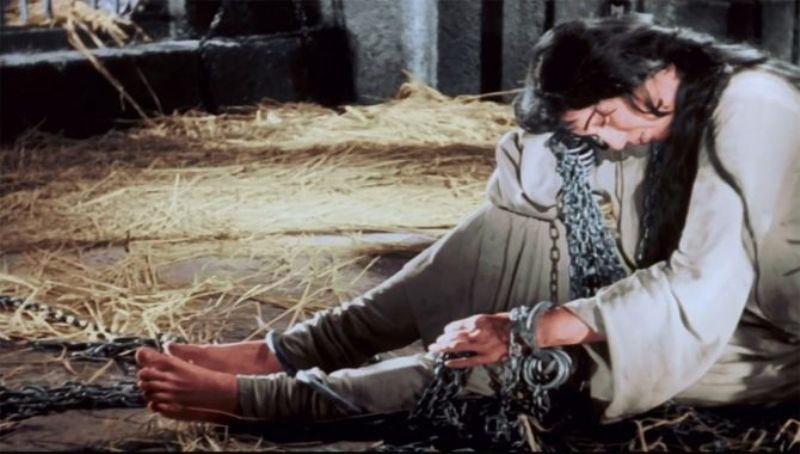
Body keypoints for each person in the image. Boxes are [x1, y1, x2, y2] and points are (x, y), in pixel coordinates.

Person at [135, 15, 799, 426]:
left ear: (643, 74)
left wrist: (529, 326)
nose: (610, 139)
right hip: (715, 304)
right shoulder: (673, 100)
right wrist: (565, 122)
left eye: (603, 117)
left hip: (769, 344)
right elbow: (525, 199)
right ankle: (289, 353)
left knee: (548, 355)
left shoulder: (753, 105)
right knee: (503, 234)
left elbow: (698, 284)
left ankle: (276, 401)